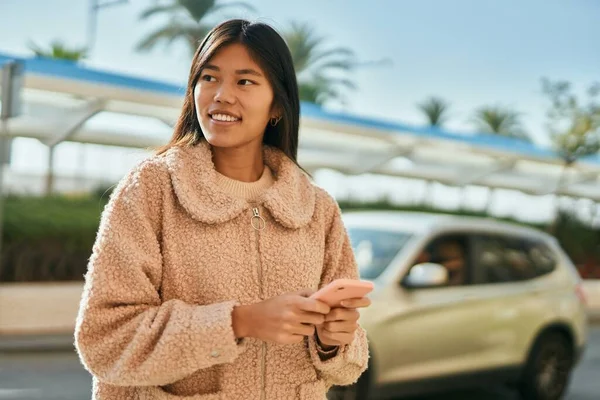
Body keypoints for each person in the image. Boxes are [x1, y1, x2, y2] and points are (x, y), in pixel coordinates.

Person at [74, 19, 370, 400]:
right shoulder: (152, 189)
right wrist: (238, 322)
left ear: (277, 104)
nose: (222, 95)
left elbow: (349, 363)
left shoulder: (317, 209)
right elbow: (105, 338)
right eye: (209, 78)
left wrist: (335, 341)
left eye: (244, 81)